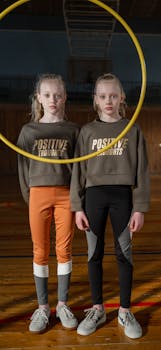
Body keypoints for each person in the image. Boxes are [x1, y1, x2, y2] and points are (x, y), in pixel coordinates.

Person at [70, 73, 150, 339]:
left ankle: (125, 310)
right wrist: (77, 207)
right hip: (93, 197)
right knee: (94, 254)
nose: (108, 101)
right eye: (103, 96)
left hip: (122, 198)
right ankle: (97, 309)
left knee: (124, 254)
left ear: (122, 98)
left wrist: (139, 207)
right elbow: (77, 171)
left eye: (113, 96)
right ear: (95, 99)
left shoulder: (132, 129)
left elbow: (141, 172)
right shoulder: (87, 131)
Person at [17, 73, 79, 333]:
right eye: (47, 95)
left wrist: (77, 199)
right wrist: (30, 196)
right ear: (38, 98)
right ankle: (43, 307)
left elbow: (79, 168)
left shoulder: (73, 130)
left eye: (57, 94)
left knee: (64, 250)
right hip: (38, 195)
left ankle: (62, 304)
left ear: (64, 97)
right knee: (40, 251)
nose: (52, 99)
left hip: (66, 194)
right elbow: (23, 169)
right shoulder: (28, 131)